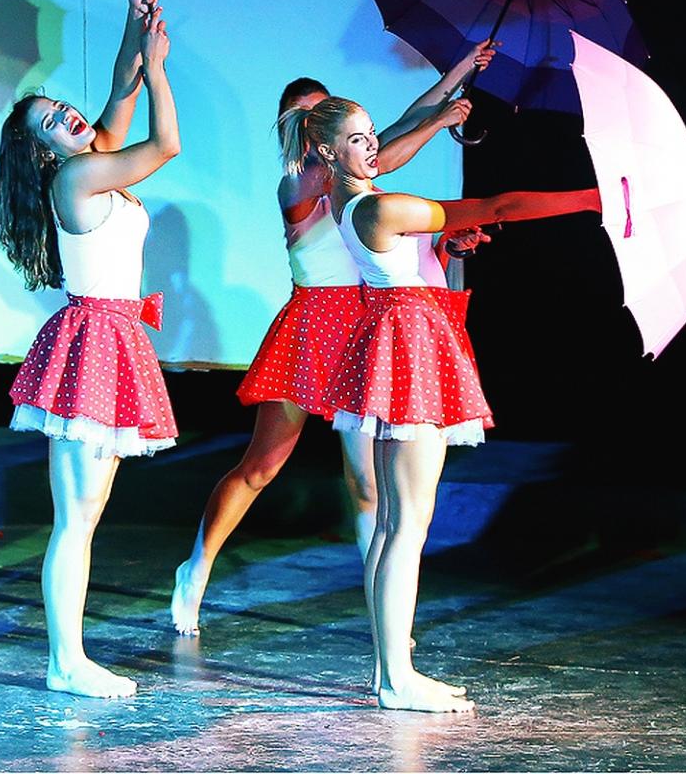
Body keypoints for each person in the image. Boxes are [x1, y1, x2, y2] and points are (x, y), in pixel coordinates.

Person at [282, 95, 599, 713]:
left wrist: (450, 247)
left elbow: (442, 236)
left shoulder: (355, 202)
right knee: (407, 524)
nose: (372, 146)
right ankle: (397, 679)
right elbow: (497, 206)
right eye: (357, 139)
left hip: (401, 338)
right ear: (327, 152)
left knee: (394, 525)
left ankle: (389, 671)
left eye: (372, 134)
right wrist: (591, 199)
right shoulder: (378, 206)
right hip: (408, 347)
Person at [170, 42, 497, 637]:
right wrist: (441, 119)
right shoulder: (298, 181)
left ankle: (384, 615)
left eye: (326, 112)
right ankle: (196, 569)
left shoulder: (352, 170)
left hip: (366, 324)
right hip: (312, 326)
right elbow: (391, 150)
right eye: (307, 116)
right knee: (262, 466)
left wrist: (459, 72)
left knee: (368, 483)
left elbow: (397, 127)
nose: (318, 124)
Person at [0, 0, 173, 698]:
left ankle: (68, 657)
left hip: (113, 337)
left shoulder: (92, 163)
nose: (66, 116)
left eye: (60, 106)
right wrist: (158, 68)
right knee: (75, 518)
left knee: (86, 514)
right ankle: (65, 662)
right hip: (93, 341)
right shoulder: (72, 180)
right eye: (50, 122)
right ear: (43, 151)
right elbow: (164, 144)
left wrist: (136, 23)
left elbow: (117, 97)